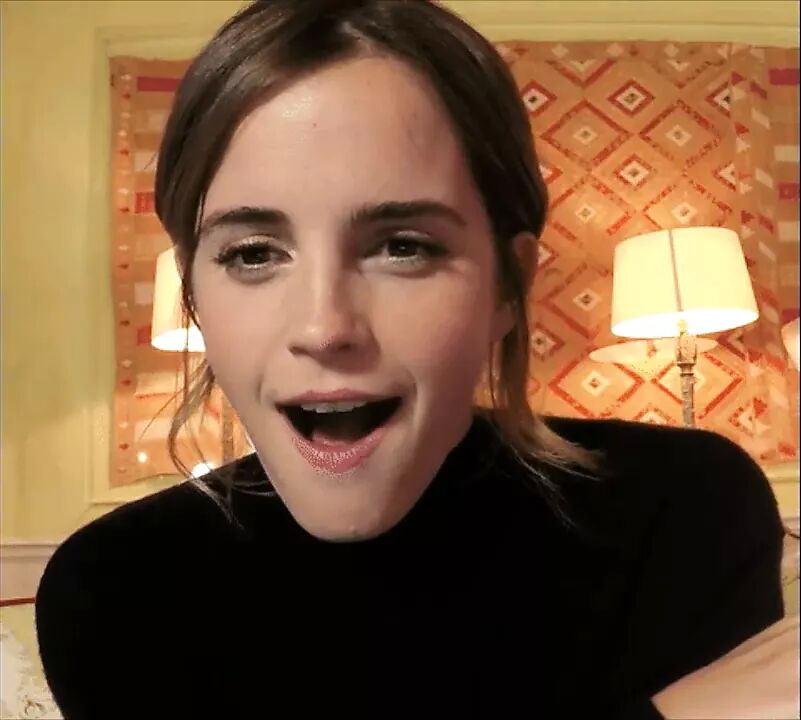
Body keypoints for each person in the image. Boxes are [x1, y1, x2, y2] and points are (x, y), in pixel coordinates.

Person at [35, 1, 798, 718]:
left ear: (508, 286)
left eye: (403, 247)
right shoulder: (117, 586)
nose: (324, 327)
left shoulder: (678, 513)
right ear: (195, 296)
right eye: (254, 253)